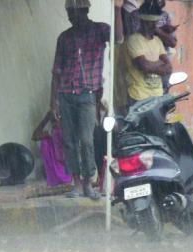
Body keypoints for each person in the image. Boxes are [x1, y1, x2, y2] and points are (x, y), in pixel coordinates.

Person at [50, 0, 123, 200]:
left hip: (87, 95)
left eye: (74, 13)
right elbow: (56, 72)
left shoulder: (100, 30)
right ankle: (76, 183)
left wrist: (117, 9)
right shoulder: (64, 38)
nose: (70, 17)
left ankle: (88, 181)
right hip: (65, 95)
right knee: (69, 141)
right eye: (69, 13)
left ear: (85, 10)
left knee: (86, 140)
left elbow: (118, 39)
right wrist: (52, 103)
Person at [125, 1, 172, 105]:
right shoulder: (133, 40)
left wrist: (152, 65)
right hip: (139, 97)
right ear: (142, 22)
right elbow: (144, 66)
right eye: (150, 22)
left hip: (157, 97)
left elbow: (169, 68)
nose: (154, 26)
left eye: (155, 22)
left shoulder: (157, 41)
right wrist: (159, 64)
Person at [32, 111, 72, 187]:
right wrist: (46, 118)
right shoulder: (51, 132)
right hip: (53, 178)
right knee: (45, 141)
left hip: (67, 175)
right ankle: (54, 177)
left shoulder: (66, 130)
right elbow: (34, 136)